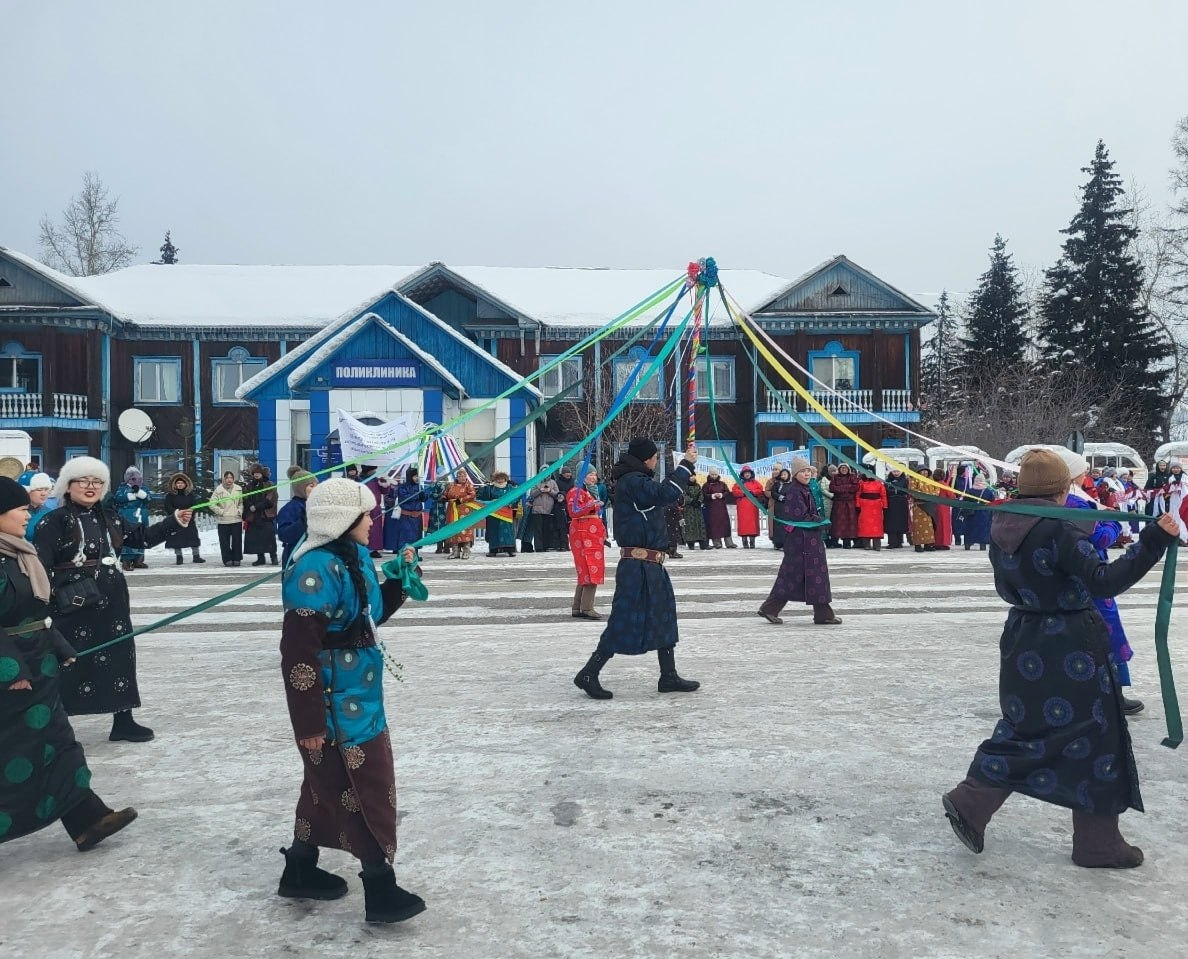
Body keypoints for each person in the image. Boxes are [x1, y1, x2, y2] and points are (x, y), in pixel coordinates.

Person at [942, 449, 1179, 869]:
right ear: (1062, 488)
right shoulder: (1059, 529)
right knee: (1098, 733)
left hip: (1023, 638)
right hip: (1070, 644)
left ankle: (973, 799)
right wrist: (1153, 541)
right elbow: (1104, 581)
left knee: (1026, 726)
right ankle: (1097, 843)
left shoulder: (1003, 521)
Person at [277, 479, 425, 923]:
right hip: (331, 704)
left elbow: (369, 617)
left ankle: (299, 868)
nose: (373, 521)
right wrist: (309, 723)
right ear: (343, 520)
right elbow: (298, 652)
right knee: (360, 786)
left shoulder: (355, 557)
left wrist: (398, 580)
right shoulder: (314, 568)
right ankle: (380, 886)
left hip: (362, 695)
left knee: (323, 783)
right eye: (365, 514)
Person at [0, 477, 139, 852]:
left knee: (59, 744)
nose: (27, 515)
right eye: (20, 510)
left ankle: (87, 820)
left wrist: (60, 646)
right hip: (13, 674)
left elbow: (36, 611)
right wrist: (10, 671)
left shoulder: (18, 552)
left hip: (39, 665)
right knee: (16, 752)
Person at [33, 457, 191, 743]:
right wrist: (48, 598)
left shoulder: (111, 518)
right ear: (68, 486)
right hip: (71, 605)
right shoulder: (53, 521)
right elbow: (41, 566)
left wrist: (174, 521)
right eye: (84, 480)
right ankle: (57, 724)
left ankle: (123, 720)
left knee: (119, 657)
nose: (91, 486)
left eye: (97, 481)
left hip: (112, 604)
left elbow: (142, 538)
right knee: (69, 661)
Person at [572, 440, 699, 698]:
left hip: (651, 564)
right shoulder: (633, 481)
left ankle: (668, 675)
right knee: (624, 618)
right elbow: (665, 493)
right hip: (637, 565)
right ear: (646, 458)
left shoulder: (635, 480)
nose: (656, 462)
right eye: (655, 457)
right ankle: (589, 673)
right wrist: (686, 464)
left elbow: (664, 493)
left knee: (664, 615)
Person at [757, 457, 841, 626]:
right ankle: (771, 608)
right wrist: (821, 521)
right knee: (794, 576)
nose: (807, 474)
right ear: (796, 474)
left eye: (808, 471)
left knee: (809, 576)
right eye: (803, 471)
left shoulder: (804, 488)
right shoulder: (795, 491)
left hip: (808, 540)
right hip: (800, 541)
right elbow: (799, 516)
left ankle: (822, 613)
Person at [566, 468, 607, 618]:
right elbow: (574, 511)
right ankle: (587, 607)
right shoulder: (575, 492)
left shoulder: (590, 491)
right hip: (584, 534)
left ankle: (578, 606)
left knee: (586, 569)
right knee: (589, 568)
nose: (594, 477)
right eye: (590, 474)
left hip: (592, 534)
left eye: (595, 474)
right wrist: (593, 505)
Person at [111, 466, 151, 571]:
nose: (136, 481)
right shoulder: (123, 489)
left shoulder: (144, 488)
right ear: (128, 479)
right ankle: (126, 560)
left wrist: (140, 494)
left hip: (140, 518)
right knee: (128, 538)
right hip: (127, 518)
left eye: (138, 478)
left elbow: (148, 499)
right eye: (133, 478)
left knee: (140, 538)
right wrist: (131, 496)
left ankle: (139, 560)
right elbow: (118, 499)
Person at [277, 471, 319, 567]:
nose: (316, 489)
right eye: (311, 486)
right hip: (296, 556)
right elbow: (284, 535)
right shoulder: (290, 508)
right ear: (300, 488)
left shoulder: (317, 506)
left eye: (317, 485)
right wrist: (303, 521)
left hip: (316, 556)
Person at [243, 464, 279, 566]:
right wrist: (250, 506)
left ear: (262, 473)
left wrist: (257, 506)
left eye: (258, 472)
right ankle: (260, 558)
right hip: (254, 516)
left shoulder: (269, 484)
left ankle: (273, 557)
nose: (256, 474)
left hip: (265, 515)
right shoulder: (250, 486)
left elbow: (270, 499)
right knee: (257, 538)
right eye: (255, 473)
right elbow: (245, 497)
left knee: (269, 538)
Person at [164, 472, 204, 565]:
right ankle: (179, 557)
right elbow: (168, 507)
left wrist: (189, 514)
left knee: (193, 537)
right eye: (178, 483)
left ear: (186, 484)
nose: (180, 484)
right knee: (176, 538)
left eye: (182, 483)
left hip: (188, 519)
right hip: (176, 520)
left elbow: (194, 506)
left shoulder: (190, 495)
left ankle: (196, 556)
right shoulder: (170, 496)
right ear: (174, 484)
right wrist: (177, 514)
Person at [387, 467, 428, 555]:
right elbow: (404, 498)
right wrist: (416, 495)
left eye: (417, 476)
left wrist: (423, 495)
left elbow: (424, 499)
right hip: (406, 516)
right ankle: (404, 555)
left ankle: (415, 554)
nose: (416, 478)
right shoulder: (402, 487)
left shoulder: (419, 486)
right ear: (410, 476)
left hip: (417, 516)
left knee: (416, 536)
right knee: (405, 536)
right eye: (415, 476)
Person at [476, 471, 518, 557]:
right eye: (498, 479)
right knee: (493, 530)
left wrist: (511, 503)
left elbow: (516, 496)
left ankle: (510, 550)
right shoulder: (490, 488)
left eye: (502, 478)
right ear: (495, 479)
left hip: (506, 513)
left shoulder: (510, 487)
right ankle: (493, 550)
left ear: (505, 479)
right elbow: (481, 497)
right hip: (494, 513)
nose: (500, 480)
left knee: (507, 531)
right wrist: (489, 499)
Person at [209, 471, 245, 567]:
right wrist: (221, 511)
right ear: (224, 479)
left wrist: (239, 511)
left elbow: (241, 502)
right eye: (227, 478)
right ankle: (227, 559)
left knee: (237, 541)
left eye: (231, 478)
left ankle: (237, 558)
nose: (229, 480)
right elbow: (211, 503)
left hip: (236, 519)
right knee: (224, 542)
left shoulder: (238, 489)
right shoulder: (218, 490)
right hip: (223, 520)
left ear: (233, 479)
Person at [442, 470, 478, 560]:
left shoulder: (468, 485)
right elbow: (446, 494)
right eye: (460, 476)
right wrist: (444, 498)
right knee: (453, 529)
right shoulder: (451, 485)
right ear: (457, 477)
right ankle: (455, 551)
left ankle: (466, 551)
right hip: (452, 510)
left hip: (464, 511)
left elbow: (473, 495)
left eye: (463, 476)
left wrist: (461, 500)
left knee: (464, 529)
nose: (462, 478)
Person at [731, 466, 766, 548]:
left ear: (751, 474)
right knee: (743, 525)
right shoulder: (739, 483)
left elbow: (760, 490)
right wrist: (743, 493)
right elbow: (734, 491)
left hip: (752, 506)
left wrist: (752, 492)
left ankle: (752, 542)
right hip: (742, 507)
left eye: (748, 473)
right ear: (743, 474)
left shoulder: (755, 482)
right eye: (745, 473)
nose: (747, 474)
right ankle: (745, 542)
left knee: (752, 525)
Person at [827, 463, 860, 548]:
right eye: (842, 468)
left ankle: (847, 543)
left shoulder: (852, 477)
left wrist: (841, 488)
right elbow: (832, 488)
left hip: (850, 503)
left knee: (849, 523)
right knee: (836, 523)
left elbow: (856, 487)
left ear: (848, 469)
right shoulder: (835, 477)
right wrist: (847, 488)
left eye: (845, 468)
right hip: (838, 503)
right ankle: (835, 542)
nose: (844, 469)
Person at [702, 470, 736, 549]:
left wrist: (721, 495)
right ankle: (717, 543)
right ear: (709, 475)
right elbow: (703, 495)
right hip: (711, 508)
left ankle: (729, 543)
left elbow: (727, 492)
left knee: (725, 525)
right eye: (712, 474)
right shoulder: (706, 485)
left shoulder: (722, 484)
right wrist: (712, 496)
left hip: (722, 508)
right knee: (714, 525)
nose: (714, 476)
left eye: (715, 474)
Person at [960, 474, 995, 551]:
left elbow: (964, 502)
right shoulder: (988, 492)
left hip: (971, 514)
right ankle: (982, 545)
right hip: (984, 514)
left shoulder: (969, 491)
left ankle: (968, 544)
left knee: (969, 529)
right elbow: (992, 502)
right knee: (982, 530)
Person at [856, 470, 887, 550]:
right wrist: (857, 505)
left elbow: (883, 495)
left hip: (876, 507)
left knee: (877, 526)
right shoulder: (861, 483)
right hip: (865, 506)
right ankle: (866, 544)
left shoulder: (879, 483)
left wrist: (884, 506)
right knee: (865, 525)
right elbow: (857, 494)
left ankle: (877, 545)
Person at [909, 467, 938, 552]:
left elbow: (937, 490)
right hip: (919, 505)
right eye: (922, 471)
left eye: (926, 471)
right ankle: (917, 545)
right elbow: (913, 491)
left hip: (929, 505)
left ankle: (928, 544)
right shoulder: (914, 480)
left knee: (929, 526)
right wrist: (925, 495)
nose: (925, 473)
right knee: (918, 526)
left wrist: (929, 496)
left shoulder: (931, 480)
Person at [21, 472, 55, 544]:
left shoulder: (50, 513)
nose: (44, 493)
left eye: (46, 489)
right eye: (39, 490)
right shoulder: (16, 513)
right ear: (27, 491)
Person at [528, 477, 559, 554]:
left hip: (549, 509)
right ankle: (538, 547)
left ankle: (546, 546)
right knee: (538, 529)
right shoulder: (536, 481)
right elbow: (532, 494)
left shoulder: (553, 482)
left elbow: (557, 494)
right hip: (537, 510)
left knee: (547, 529)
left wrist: (549, 490)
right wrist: (540, 490)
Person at [883, 468, 910, 549]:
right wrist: (895, 491)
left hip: (901, 503)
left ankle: (899, 542)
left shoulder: (905, 480)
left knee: (900, 522)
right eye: (894, 471)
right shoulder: (888, 481)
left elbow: (906, 490)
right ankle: (892, 542)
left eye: (898, 471)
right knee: (891, 523)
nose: (896, 473)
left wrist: (895, 490)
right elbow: (886, 490)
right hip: (891, 503)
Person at [767, 468, 793, 550]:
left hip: (788, 506)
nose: (783, 476)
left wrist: (788, 498)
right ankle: (778, 543)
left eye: (785, 474)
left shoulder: (791, 484)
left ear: (788, 475)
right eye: (782, 474)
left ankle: (786, 543)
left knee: (787, 525)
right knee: (778, 524)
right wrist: (780, 497)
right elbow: (773, 492)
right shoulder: (777, 484)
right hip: (779, 506)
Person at [682, 478, 709, 550]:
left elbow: (701, 494)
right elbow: (683, 495)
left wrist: (699, 501)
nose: (692, 478)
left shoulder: (698, 486)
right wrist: (691, 501)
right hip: (689, 508)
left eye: (693, 476)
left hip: (697, 509)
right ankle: (691, 543)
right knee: (690, 525)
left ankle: (703, 543)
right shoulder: (684, 486)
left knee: (700, 524)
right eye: (691, 476)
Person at [932, 467, 955, 549]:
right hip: (944, 508)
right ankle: (943, 542)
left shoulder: (931, 484)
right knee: (944, 525)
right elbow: (952, 496)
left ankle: (935, 542)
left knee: (935, 525)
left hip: (933, 506)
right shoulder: (944, 485)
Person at [554, 465, 575, 552]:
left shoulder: (573, 482)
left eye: (569, 473)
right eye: (566, 473)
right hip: (561, 506)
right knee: (562, 527)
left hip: (572, 505)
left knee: (571, 526)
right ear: (562, 474)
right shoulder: (558, 482)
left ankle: (572, 544)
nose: (568, 474)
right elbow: (557, 493)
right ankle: (563, 544)